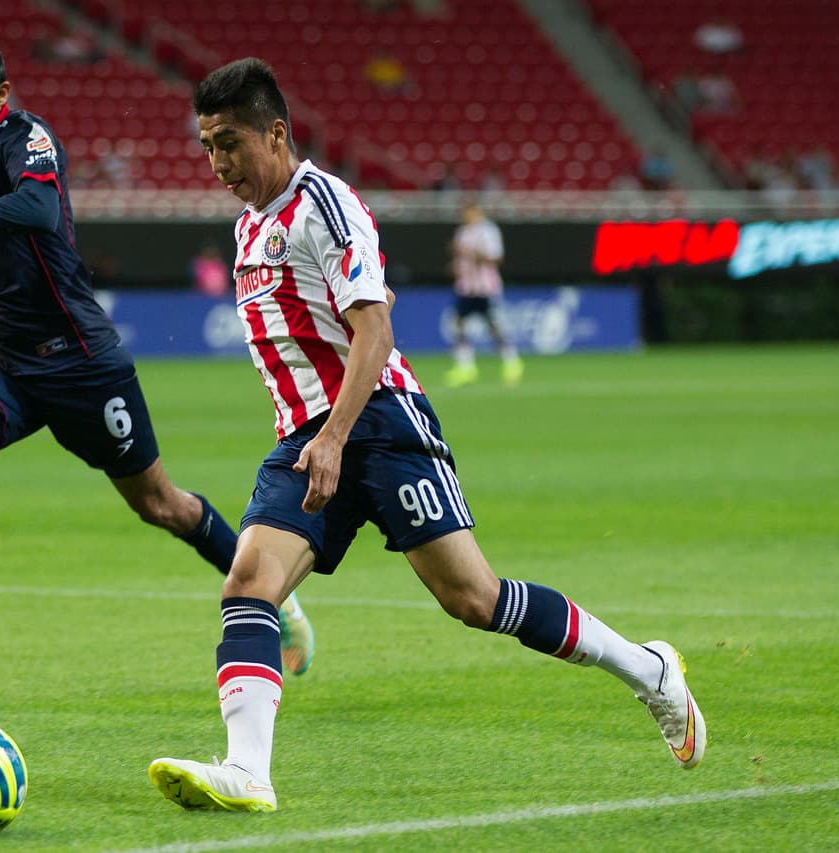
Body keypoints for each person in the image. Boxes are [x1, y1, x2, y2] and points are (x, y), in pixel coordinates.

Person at [148, 58, 706, 813]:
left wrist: (336, 436)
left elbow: (373, 331)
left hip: (379, 424)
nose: (217, 163)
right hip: (306, 440)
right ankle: (249, 771)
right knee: (248, 583)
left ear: (275, 134)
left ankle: (649, 670)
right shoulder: (250, 225)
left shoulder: (325, 205)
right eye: (207, 146)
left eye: (229, 143)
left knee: (474, 598)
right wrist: (318, 438)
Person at [0, 28, 315, 682]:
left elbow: (38, 207)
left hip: (78, 362)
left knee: (161, 504)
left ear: (1, 94)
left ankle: (276, 598)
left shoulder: (27, 139)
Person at [445, 201, 522, 387]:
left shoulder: (488, 231)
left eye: (468, 212)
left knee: (494, 326)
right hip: (466, 287)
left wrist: (476, 255)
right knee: (458, 324)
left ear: (476, 212)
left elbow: (496, 257)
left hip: (485, 287)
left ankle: (512, 362)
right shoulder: (463, 232)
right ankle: (466, 367)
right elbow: (459, 257)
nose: (465, 216)